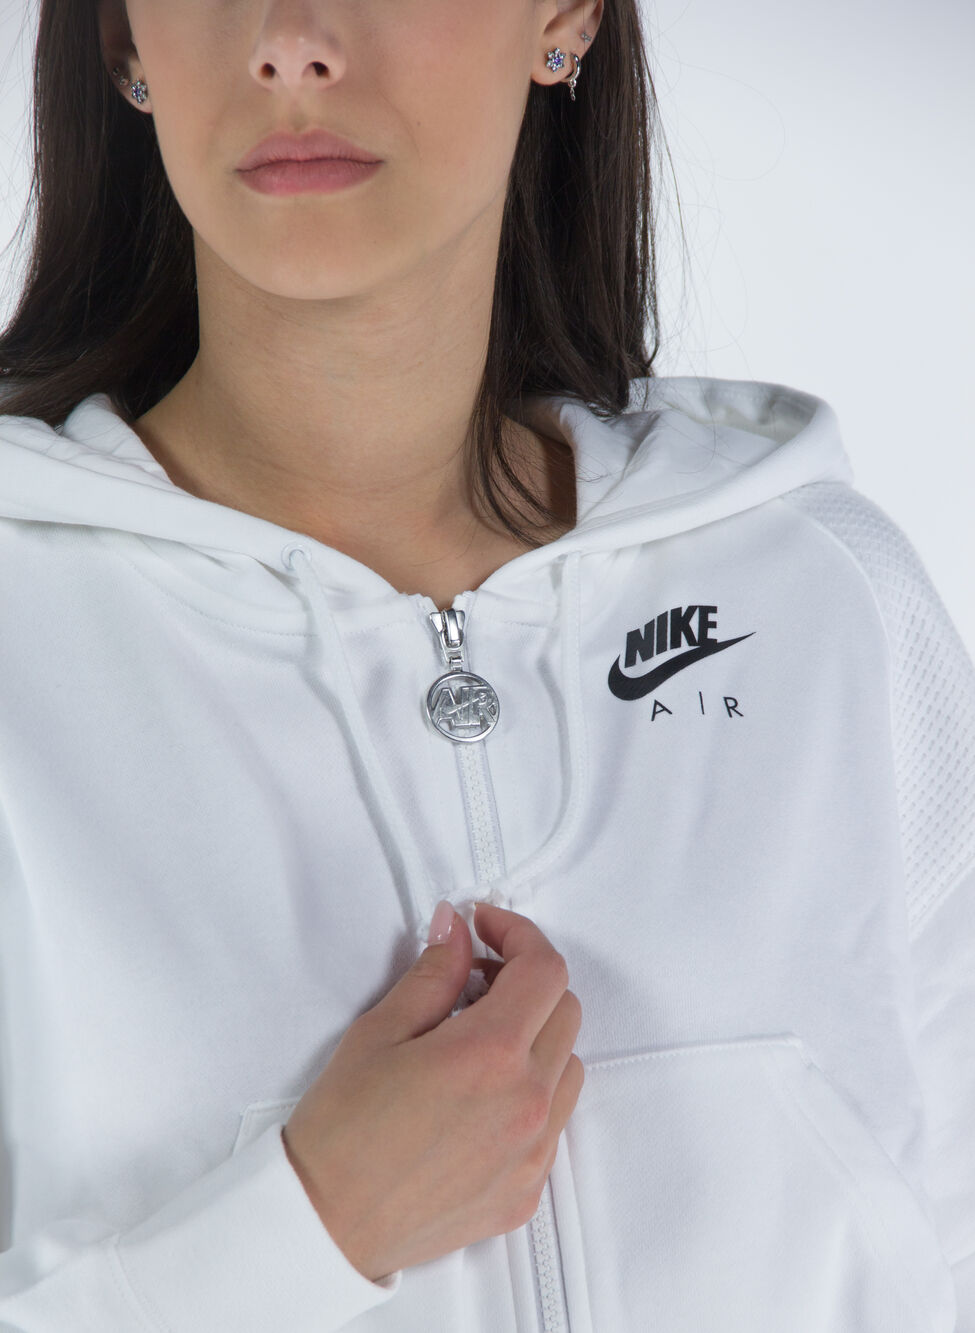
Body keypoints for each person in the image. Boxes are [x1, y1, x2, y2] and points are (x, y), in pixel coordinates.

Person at [0, 0, 972, 1329]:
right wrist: (310, 1228)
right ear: (124, 41)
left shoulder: (823, 597)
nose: (291, 40)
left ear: (563, 15)